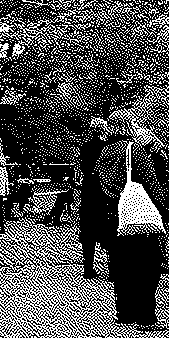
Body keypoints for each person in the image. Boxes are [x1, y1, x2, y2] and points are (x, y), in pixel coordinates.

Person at [93, 109, 168, 331]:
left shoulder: (105, 151)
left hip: (111, 213)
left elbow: (97, 182)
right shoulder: (134, 150)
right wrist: (164, 210)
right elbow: (151, 183)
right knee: (148, 264)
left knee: (122, 264)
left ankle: (125, 311)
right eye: (133, 123)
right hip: (137, 213)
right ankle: (145, 315)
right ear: (128, 126)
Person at [136, 127, 169, 274]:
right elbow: (166, 177)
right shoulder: (157, 156)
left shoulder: (151, 156)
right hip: (155, 194)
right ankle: (160, 258)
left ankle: (158, 258)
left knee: (157, 228)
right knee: (160, 227)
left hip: (149, 194)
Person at [77, 118, 109, 279]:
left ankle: (88, 267)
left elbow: (83, 167)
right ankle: (112, 268)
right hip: (103, 189)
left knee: (88, 229)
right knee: (107, 226)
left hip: (88, 188)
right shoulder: (106, 147)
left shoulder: (85, 146)